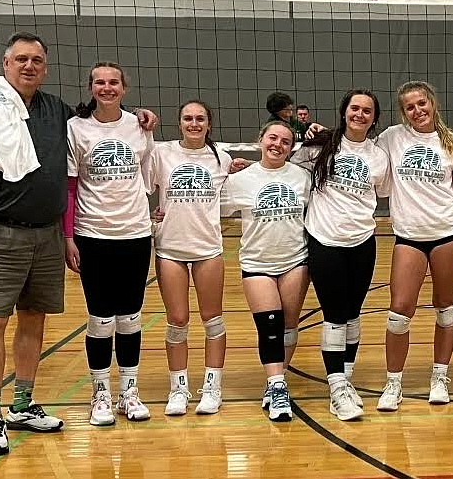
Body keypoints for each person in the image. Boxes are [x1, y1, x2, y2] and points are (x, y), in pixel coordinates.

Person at [0, 32, 156, 456]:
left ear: (47, 67)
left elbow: (101, 118)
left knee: (34, 318)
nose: (28, 66)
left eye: (36, 60)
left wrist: (142, 115)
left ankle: (22, 404)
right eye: (21, 59)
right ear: (5, 63)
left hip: (46, 234)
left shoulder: (57, 111)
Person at [65, 62, 155, 426]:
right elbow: (70, 187)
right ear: (91, 88)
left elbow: (150, 175)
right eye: (100, 82)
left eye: (113, 82)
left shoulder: (139, 125)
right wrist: (68, 236)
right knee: (100, 318)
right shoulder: (76, 128)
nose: (107, 87)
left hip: (134, 233)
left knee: (131, 317)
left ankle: (129, 393)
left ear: (124, 87)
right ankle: (100, 393)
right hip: (92, 235)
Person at [293, 90, 389, 420]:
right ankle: (336, 387)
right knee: (334, 314)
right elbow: (285, 174)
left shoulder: (379, 156)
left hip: (363, 241)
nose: (359, 114)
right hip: (325, 240)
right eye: (354, 108)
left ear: (374, 118)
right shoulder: (320, 145)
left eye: (366, 110)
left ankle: (345, 380)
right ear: (343, 111)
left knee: (352, 313)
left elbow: (388, 191)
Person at [376, 81, 453, 411]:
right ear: (403, 112)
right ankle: (393, 382)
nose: (418, 111)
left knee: (446, 306)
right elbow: (355, 149)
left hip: (448, 233)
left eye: (422, 104)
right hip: (409, 236)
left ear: (433, 103)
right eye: (410, 107)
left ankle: (440, 376)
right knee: (400, 309)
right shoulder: (391, 138)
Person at [222, 121, 311, 422]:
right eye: (272, 138)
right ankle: (277, 386)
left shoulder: (303, 178)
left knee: (288, 325)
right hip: (257, 263)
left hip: (295, 260)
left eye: (285, 141)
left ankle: (277, 380)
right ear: (260, 140)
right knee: (269, 324)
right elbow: (211, 209)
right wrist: (164, 213)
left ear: (291, 147)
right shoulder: (240, 180)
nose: (278, 144)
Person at [149, 100, 231, 416]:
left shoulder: (220, 159)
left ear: (208, 124)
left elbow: (229, 199)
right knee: (178, 320)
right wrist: (150, 214)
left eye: (200, 119)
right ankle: (178, 388)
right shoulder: (161, 153)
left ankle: (212, 387)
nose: (194, 123)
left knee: (212, 318)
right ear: (180, 123)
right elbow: (137, 185)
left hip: (207, 248)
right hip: (170, 248)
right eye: (188, 118)